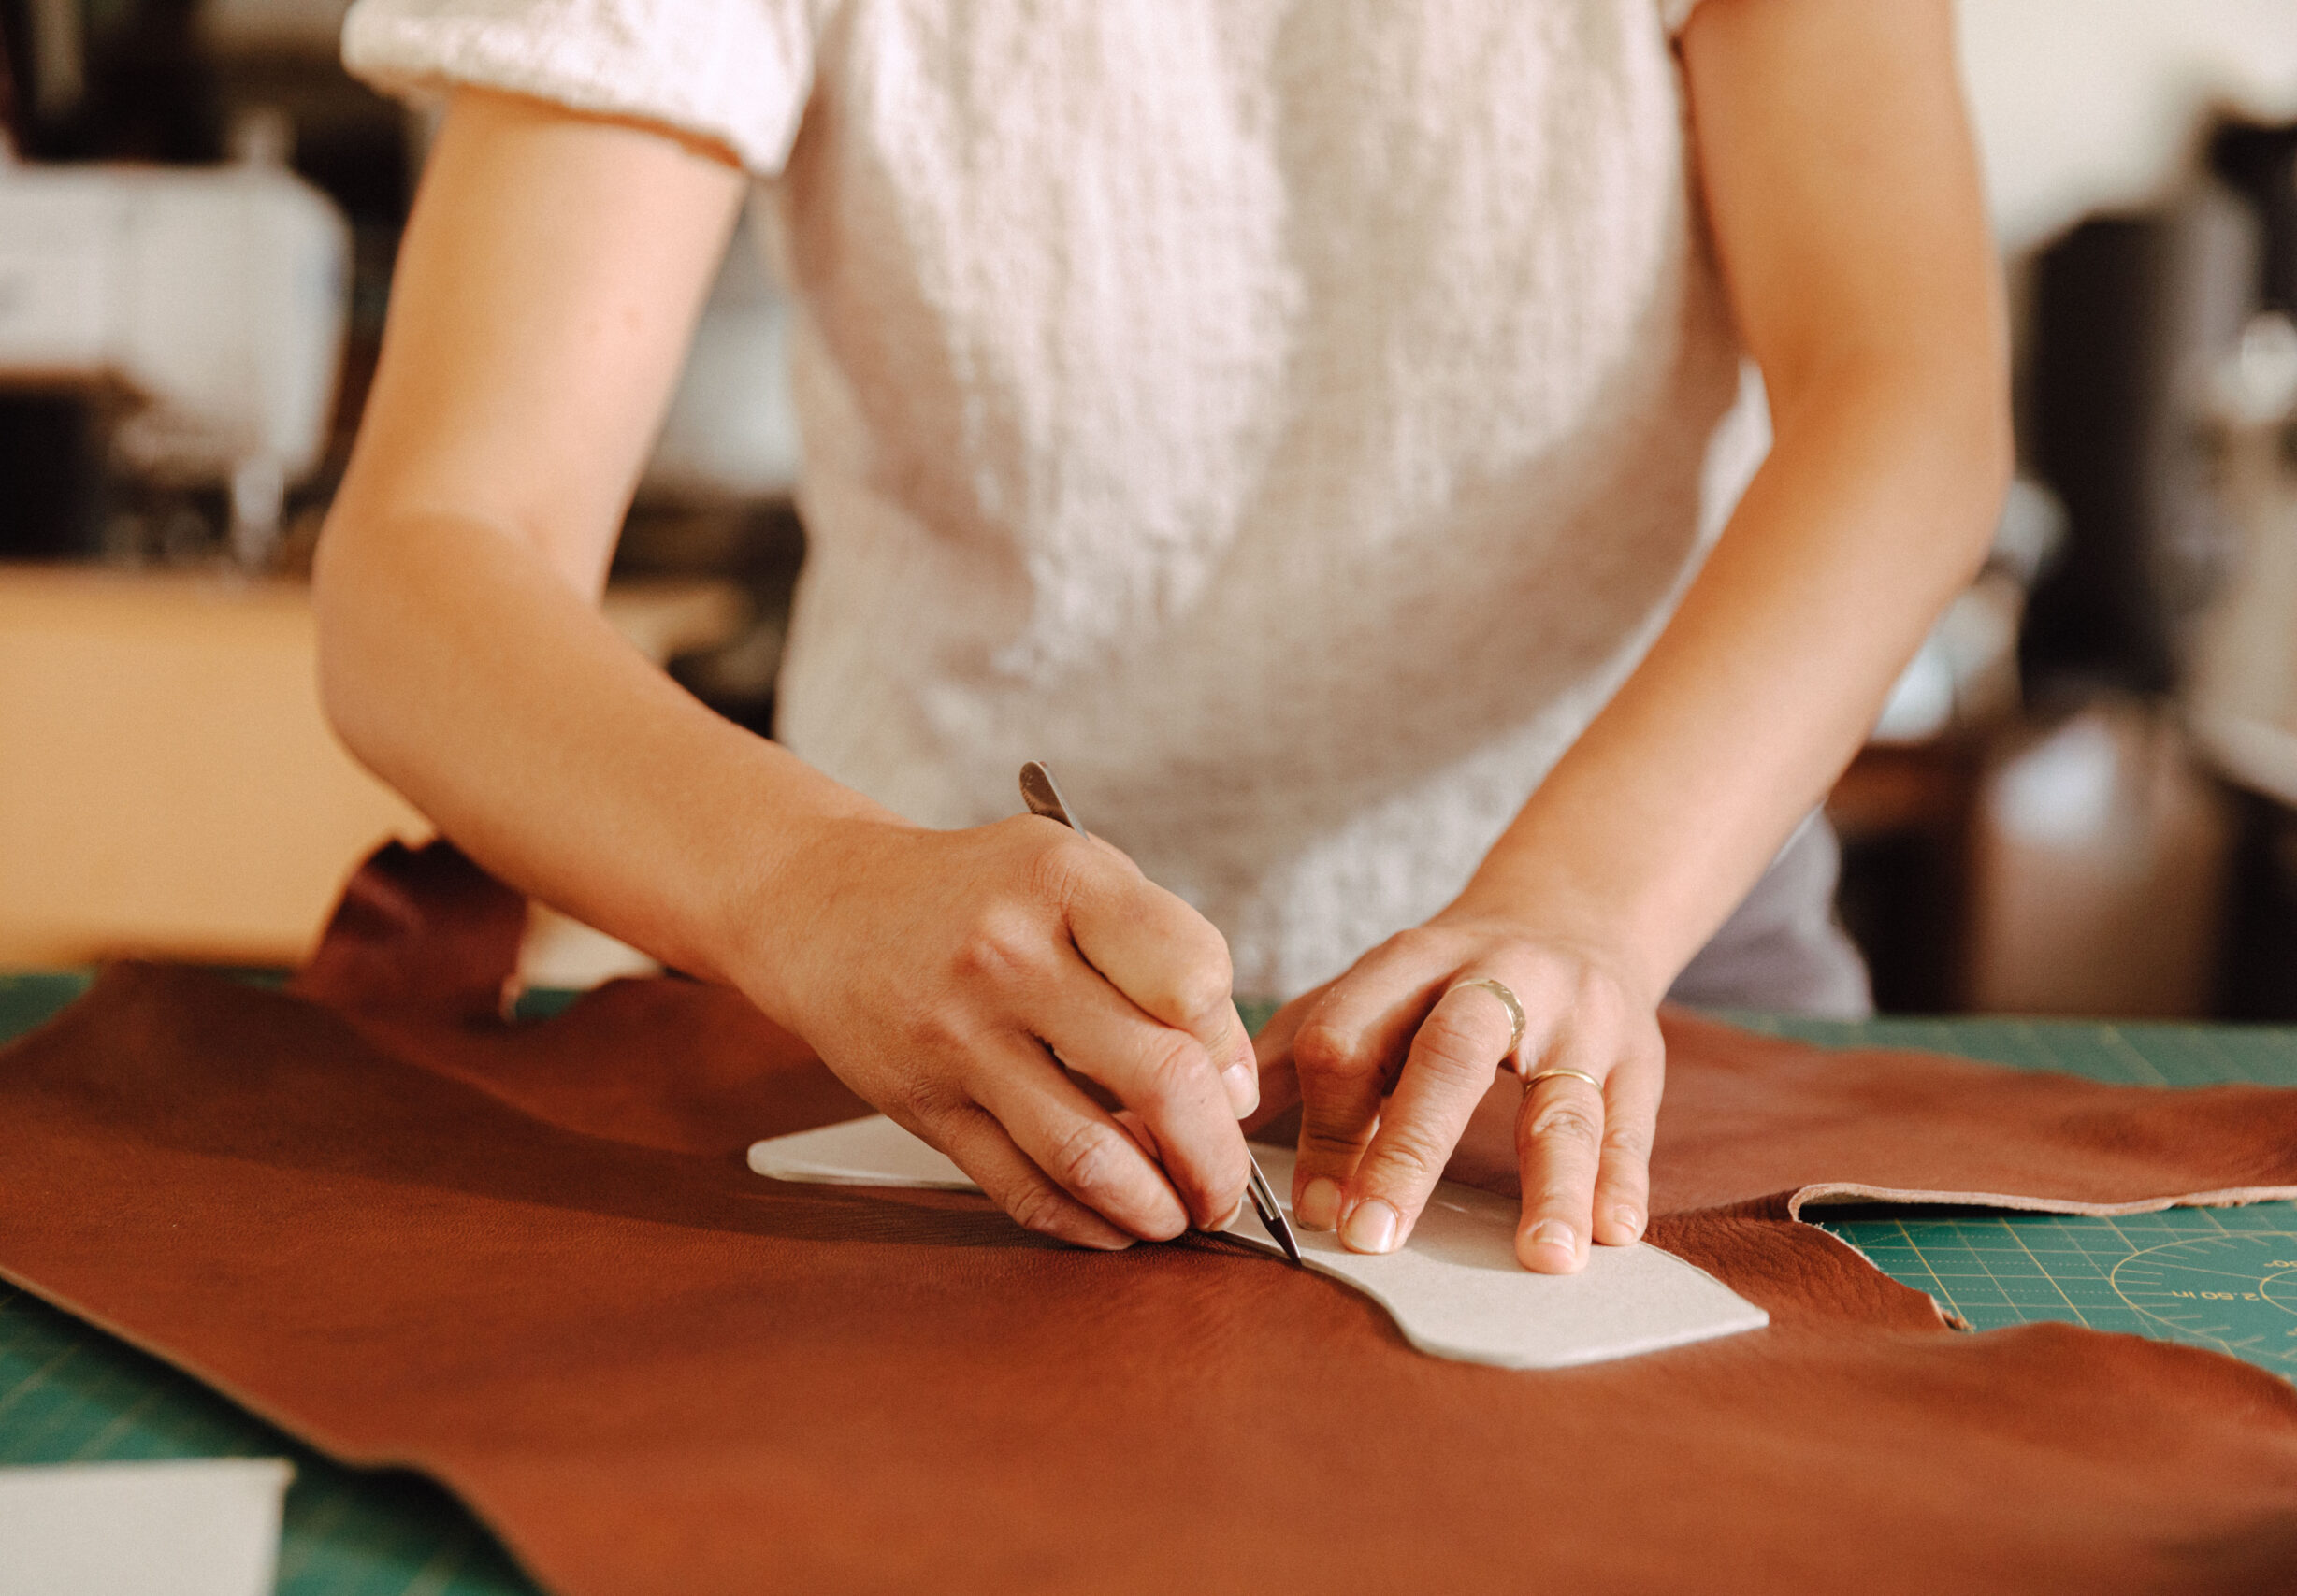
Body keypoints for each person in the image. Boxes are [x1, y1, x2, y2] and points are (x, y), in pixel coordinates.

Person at [320, 0, 2008, 1275]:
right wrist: (813, 886)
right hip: (898, 1004)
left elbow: (1907, 401)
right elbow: (429, 556)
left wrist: (1583, 908)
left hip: (1657, 941)